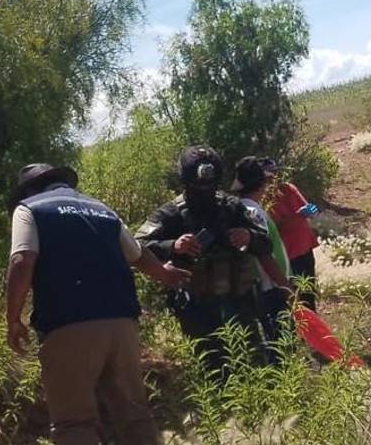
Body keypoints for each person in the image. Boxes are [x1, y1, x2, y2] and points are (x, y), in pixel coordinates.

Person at [5, 163, 190, 445]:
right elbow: (139, 255)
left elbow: (22, 259)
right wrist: (167, 276)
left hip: (68, 326)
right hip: (121, 324)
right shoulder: (101, 209)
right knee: (134, 413)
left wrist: (12, 317)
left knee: (73, 420)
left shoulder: (30, 210)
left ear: (29, 190)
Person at [137, 146, 273, 368]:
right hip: (198, 309)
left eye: (209, 186)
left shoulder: (232, 207)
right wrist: (174, 245)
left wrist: (249, 237)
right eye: (198, 186)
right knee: (211, 368)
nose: (204, 191)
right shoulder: (170, 213)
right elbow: (138, 246)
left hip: (240, 303)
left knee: (253, 363)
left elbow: (266, 243)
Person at [229, 156, 293, 348]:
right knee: (281, 345)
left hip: (267, 287)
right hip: (271, 288)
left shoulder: (243, 207)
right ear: (261, 184)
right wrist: (286, 286)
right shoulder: (253, 212)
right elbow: (264, 255)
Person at [266, 160, 320, 309]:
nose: (274, 178)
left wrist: (309, 211)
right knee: (294, 297)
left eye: (275, 173)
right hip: (287, 254)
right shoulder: (264, 199)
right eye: (270, 175)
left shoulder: (288, 188)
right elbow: (275, 226)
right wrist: (298, 215)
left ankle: (313, 329)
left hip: (304, 247)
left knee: (309, 293)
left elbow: (305, 209)